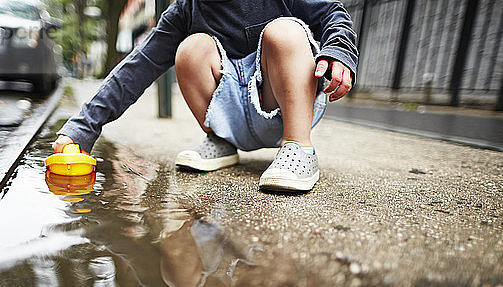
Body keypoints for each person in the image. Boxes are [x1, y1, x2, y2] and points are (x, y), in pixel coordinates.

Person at [53, 0, 358, 192]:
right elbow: (136, 67)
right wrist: (83, 127)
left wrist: (340, 52)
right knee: (190, 49)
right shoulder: (187, 9)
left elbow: (333, 13)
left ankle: (299, 149)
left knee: (285, 32)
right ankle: (220, 141)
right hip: (230, 116)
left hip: (285, 105)